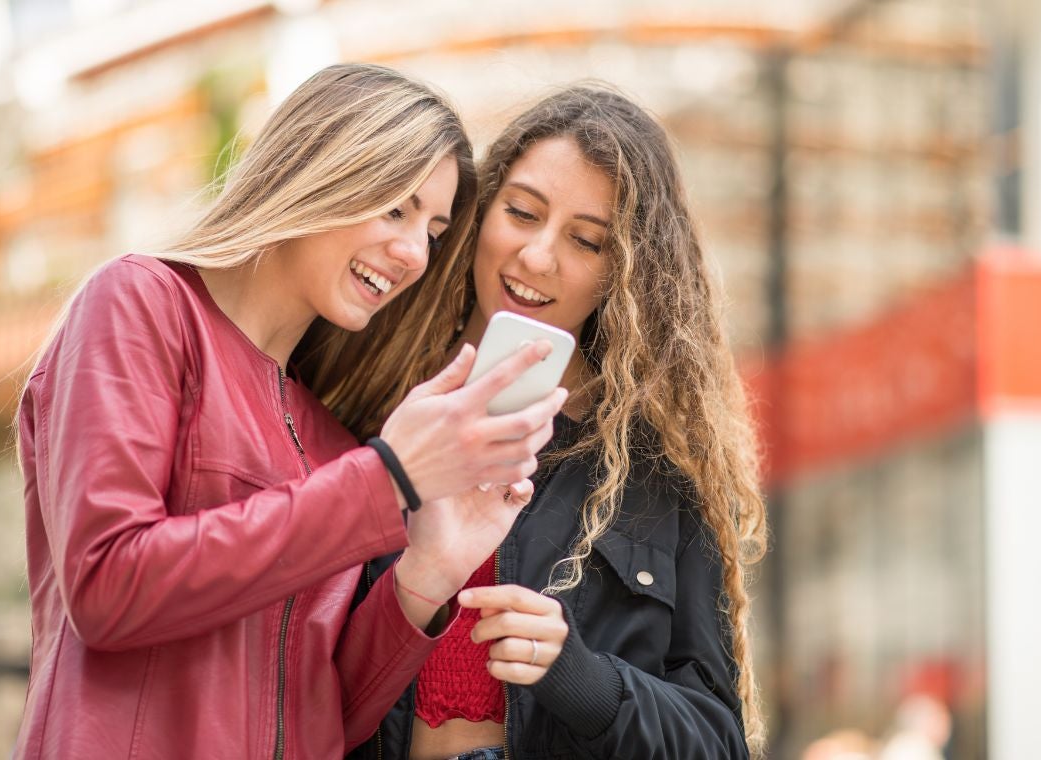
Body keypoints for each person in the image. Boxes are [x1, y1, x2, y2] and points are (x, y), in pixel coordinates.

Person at [12, 64, 567, 759]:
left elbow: (324, 713)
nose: (413, 254)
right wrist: (388, 476)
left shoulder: (330, 439)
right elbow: (108, 587)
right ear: (319, 170)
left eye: (434, 229)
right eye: (395, 208)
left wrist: (429, 569)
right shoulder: (140, 306)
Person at [302, 84, 770, 759]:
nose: (538, 256)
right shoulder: (363, 407)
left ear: (625, 273)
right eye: (521, 213)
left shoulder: (654, 477)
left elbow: (718, 742)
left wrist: (587, 683)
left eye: (587, 241)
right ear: (480, 211)